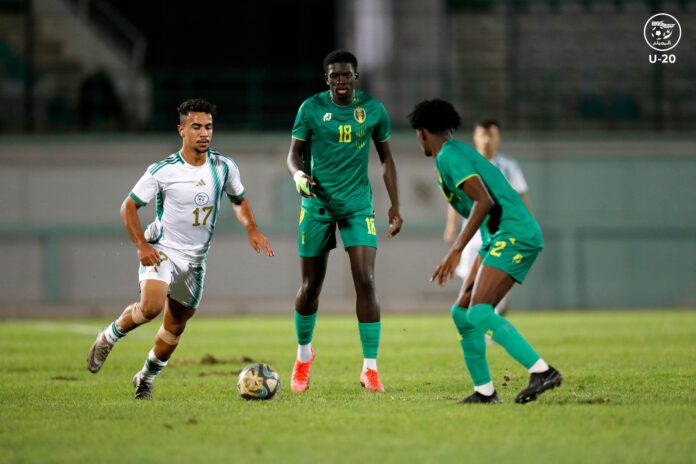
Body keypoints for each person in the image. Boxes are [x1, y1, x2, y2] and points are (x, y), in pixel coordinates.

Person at [86, 99, 274, 399]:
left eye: (209, 127)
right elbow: (129, 206)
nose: (204, 133)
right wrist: (141, 245)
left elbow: (238, 199)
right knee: (151, 307)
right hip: (162, 249)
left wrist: (251, 227)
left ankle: (145, 378)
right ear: (181, 130)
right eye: (196, 126)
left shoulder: (224, 167)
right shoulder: (163, 170)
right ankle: (108, 337)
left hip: (195, 261)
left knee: (174, 328)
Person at [408, 99, 561, 404]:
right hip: (497, 236)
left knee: (479, 310)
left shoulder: (450, 156)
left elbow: (484, 200)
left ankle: (542, 371)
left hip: (514, 233)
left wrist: (456, 250)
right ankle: (485, 391)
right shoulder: (452, 154)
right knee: (462, 313)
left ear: (423, 132)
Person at [286, 50, 403, 393]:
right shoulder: (310, 109)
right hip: (317, 205)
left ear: (356, 77)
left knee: (366, 281)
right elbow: (293, 154)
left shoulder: (374, 110)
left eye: (346, 75)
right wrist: (298, 177)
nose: (341, 81)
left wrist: (395, 204)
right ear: (327, 79)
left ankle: (370, 369)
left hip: (357, 207)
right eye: (334, 76)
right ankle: (303, 357)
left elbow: (387, 159)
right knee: (310, 288)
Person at [443, 119, 531, 316]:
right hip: (474, 231)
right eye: (482, 134)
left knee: (493, 275)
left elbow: (521, 197)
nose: (486, 139)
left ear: (498, 138)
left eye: (490, 134)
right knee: (470, 276)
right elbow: (456, 199)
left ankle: (492, 314)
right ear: (475, 138)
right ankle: (481, 314)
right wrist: (451, 226)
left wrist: (526, 225)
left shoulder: (508, 166)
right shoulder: (467, 165)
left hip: (501, 230)